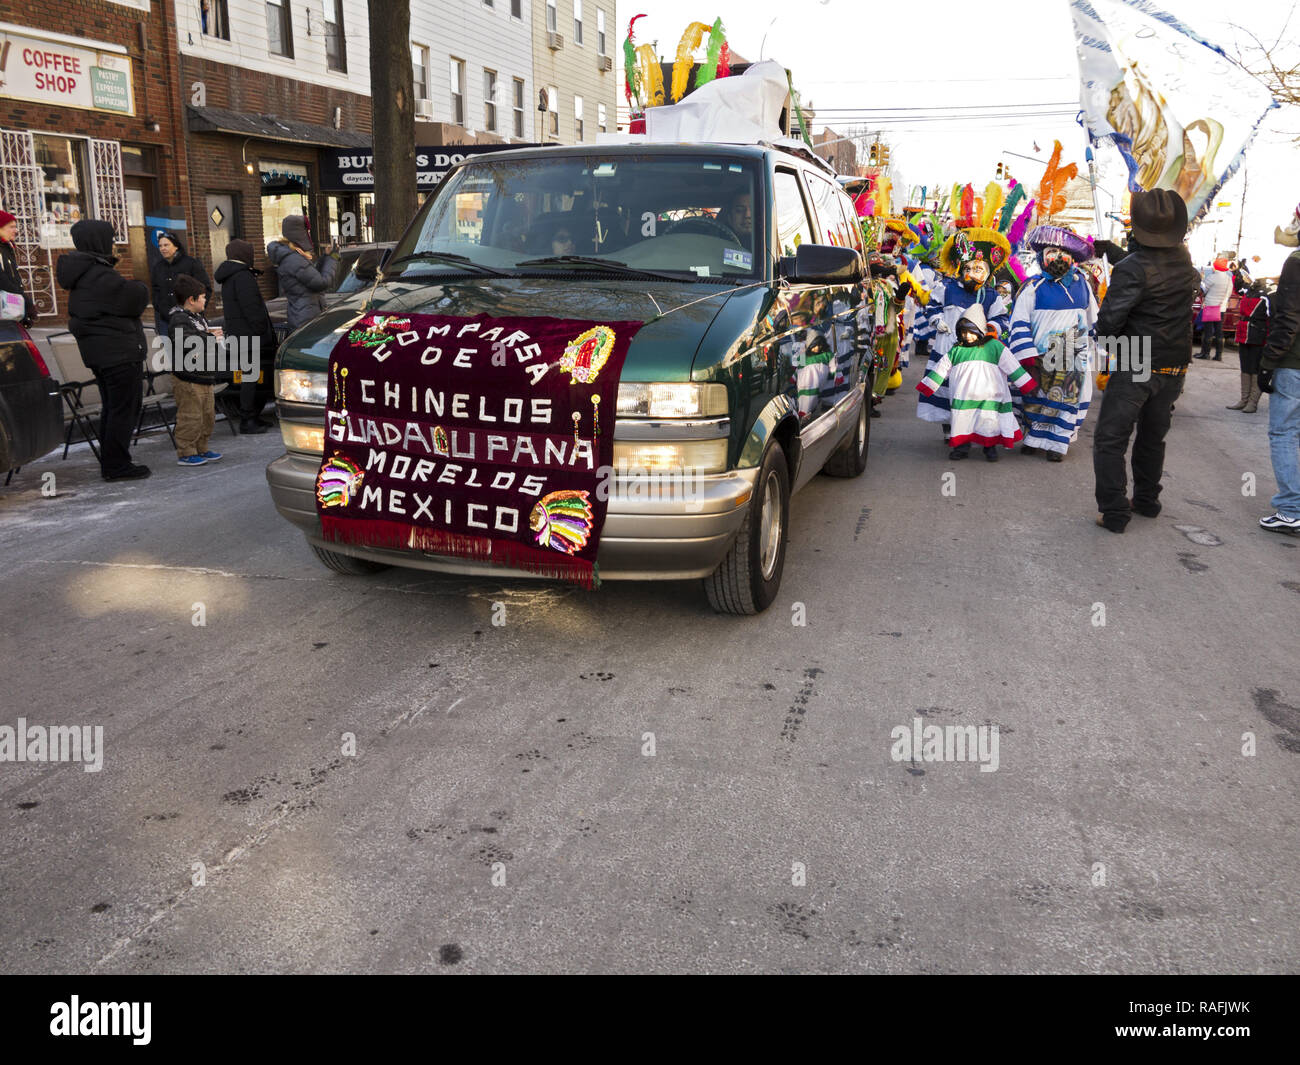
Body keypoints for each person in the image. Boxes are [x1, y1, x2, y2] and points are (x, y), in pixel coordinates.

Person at [1091, 189, 1201, 533]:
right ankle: (1147, 500)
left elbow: (1110, 321)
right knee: (1153, 437)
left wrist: (1108, 344)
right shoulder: (1186, 265)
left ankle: (1114, 512)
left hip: (1136, 361)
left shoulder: (1132, 268)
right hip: (1175, 365)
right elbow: (1154, 270)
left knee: (1111, 438)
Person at [56, 219, 152, 481]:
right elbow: (135, 298)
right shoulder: (98, 274)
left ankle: (113, 462)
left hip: (103, 354)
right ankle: (116, 465)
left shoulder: (83, 272)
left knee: (113, 408)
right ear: (98, 241)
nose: (112, 244)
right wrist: (141, 285)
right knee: (123, 409)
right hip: (118, 354)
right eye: (109, 239)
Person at [1008, 225, 1099, 463]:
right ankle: (1032, 439)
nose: (1058, 257)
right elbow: (1018, 321)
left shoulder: (1083, 285)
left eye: (1064, 253)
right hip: (1039, 354)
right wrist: (1026, 354)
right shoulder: (1032, 287)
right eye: (1052, 252)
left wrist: (1102, 338)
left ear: (1073, 258)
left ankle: (1058, 444)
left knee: (1067, 398)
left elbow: (1095, 318)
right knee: (1036, 399)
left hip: (1073, 355)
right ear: (1042, 256)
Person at [915, 226, 1012, 443]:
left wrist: (990, 330)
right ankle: (950, 429)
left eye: (978, 268)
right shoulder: (947, 287)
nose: (972, 273)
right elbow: (931, 306)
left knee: (973, 393)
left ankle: (972, 430)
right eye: (968, 268)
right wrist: (937, 320)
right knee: (946, 390)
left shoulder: (991, 296)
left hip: (976, 356)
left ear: (987, 272)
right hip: (947, 349)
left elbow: (1003, 320)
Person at [915, 304, 1035, 461]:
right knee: (962, 422)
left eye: (971, 332)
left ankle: (989, 448)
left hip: (990, 396)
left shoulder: (995, 346)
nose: (967, 336)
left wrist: (1026, 384)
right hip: (963, 397)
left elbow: (1012, 365)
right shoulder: (957, 350)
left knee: (989, 423)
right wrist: (928, 385)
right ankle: (961, 448)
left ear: (979, 329)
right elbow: (942, 368)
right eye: (963, 332)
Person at [1257, 207, 1300, 534]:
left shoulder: (1296, 263)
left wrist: (1268, 362)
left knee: (1283, 433)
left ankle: (1291, 508)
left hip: (1294, 363)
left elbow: (1287, 321)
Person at [214, 239, 275, 434]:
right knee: (250, 377)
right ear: (244, 255)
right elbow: (252, 307)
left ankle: (252, 416)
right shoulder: (242, 276)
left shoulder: (229, 277)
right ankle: (248, 419)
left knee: (249, 376)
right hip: (250, 335)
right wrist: (260, 329)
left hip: (239, 334)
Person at [167, 274, 222, 467]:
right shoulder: (179, 319)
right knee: (191, 416)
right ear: (191, 299)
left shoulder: (197, 317)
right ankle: (186, 451)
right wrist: (208, 337)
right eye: (203, 297)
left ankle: (202, 446)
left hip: (204, 375)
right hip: (188, 377)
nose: (205, 301)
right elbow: (185, 341)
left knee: (207, 415)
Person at [267, 215, 338, 331]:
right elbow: (321, 283)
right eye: (306, 231)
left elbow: (312, 275)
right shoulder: (294, 259)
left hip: (302, 315)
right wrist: (333, 258)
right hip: (306, 319)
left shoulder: (291, 257)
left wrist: (326, 257)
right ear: (299, 234)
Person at [150, 230, 211, 340]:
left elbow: (205, 288)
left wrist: (196, 309)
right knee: (170, 354)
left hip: (189, 319)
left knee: (191, 351)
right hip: (165, 320)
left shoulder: (191, 264)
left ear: (176, 246)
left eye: (166, 245)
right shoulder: (157, 268)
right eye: (160, 246)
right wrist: (161, 309)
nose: (163, 248)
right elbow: (155, 292)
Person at [1228, 281, 1268, 414]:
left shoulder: (1269, 294)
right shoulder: (1247, 290)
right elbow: (1237, 283)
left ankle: (1252, 402)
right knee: (1245, 367)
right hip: (1244, 333)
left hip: (1259, 335)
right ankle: (1244, 400)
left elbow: (1272, 317)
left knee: (1256, 369)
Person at [0, 209, 36, 325]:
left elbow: (12, 281)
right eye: (11, 227)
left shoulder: (7, 247)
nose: (15, 230)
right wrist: (25, 301)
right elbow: (3, 282)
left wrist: (22, 311)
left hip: (8, 310)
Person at [1196, 257, 1232, 360]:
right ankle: (1218, 355)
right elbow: (1228, 294)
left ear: (1215, 267)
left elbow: (1203, 289)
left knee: (1208, 331)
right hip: (1221, 308)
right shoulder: (1228, 279)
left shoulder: (1212, 277)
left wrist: (1202, 279)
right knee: (1219, 332)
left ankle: (1205, 353)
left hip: (1211, 307)